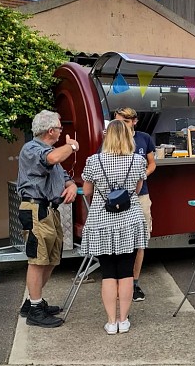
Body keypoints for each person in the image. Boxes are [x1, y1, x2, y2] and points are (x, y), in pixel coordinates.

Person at [81, 119, 148, 334]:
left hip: (101, 222)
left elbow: (87, 191)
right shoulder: (138, 161)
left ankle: (111, 322)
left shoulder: (93, 161)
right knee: (126, 272)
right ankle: (123, 320)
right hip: (130, 220)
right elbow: (137, 190)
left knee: (108, 272)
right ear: (128, 137)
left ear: (106, 137)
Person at [17, 110, 79, 328]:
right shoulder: (32, 149)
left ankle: (33, 302)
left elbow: (64, 177)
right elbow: (51, 159)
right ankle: (35, 309)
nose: (62, 132)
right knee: (37, 260)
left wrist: (71, 186)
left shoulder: (49, 151)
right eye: (60, 128)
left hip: (50, 210)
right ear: (51, 130)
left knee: (51, 259)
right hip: (36, 209)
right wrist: (71, 146)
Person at [113, 107, 156, 302]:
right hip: (118, 198)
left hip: (141, 195)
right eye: (117, 121)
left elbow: (152, 163)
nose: (119, 125)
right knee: (119, 240)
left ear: (134, 121)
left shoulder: (144, 138)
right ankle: (118, 282)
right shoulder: (110, 139)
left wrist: (140, 176)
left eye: (124, 121)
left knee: (140, 241)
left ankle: (135, 283)